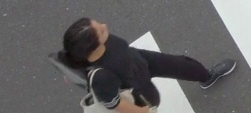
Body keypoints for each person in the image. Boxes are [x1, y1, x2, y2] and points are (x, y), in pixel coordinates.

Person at [59, 18, 236, 111]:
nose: (105, 25)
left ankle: (206, 77)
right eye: (101, 30)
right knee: (155, 102)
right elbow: (113, 104)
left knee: (183, 64)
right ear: (93, 46)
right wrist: (141, 112)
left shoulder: (80, 51)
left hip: (141, 61)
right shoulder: (102, 78)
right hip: (136, 87)